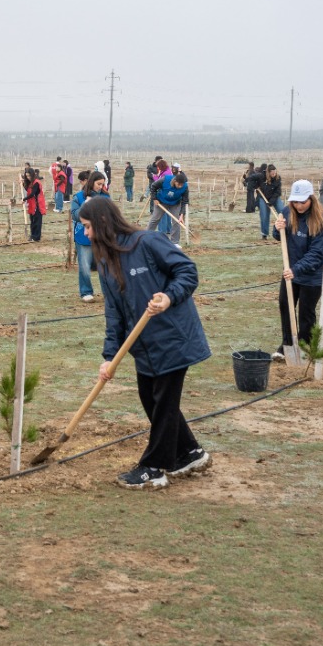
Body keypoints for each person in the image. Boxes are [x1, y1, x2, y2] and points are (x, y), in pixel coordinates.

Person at [79, 196, 210, 489]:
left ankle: (154, 467)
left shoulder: (148, 242)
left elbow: (187, 271)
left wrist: (169, 296)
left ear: (102, 222)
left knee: (163, 403)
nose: (86, 234)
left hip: (173, 337)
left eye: (87, 227)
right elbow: (113, 312)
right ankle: (190, 452)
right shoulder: (105, 261)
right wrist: (109, 356)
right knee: (152, 400)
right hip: (144, 346)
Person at [270, 179, 323, 360]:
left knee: (306, 312)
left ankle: (306, 347)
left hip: (312, 275)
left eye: (302, 201)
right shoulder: (287, 212)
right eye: (295, 201)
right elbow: (280, 237)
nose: (298, 205)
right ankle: (287, 346)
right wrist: (277, 229)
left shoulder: (322, 223)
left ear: (311, 199)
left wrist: (296, 270)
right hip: (291, 271)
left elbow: (316, 255)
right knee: (285, 306)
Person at [70, 171, 110, 303]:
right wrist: (85, 204)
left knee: (104, 265)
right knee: (85, 265)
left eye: (102, 184)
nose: (100, 186)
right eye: (98, 184)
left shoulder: (105, 197)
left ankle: (108, 292)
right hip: (83, 236)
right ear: (91, 182)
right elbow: (75, 215)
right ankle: (86, 292)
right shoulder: (79, 197)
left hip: (102, 237)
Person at [257, 165, 284, 241]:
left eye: (275, 172)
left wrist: (271, 202)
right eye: (272, 173)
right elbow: (253, 179)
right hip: (263, 198)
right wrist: (252, 184)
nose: (274, 174)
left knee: (283, 211)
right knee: (264, 215)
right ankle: (264, 234)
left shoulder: (278, 178)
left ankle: (287, 230)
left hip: (274, 197)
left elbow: (277, 192)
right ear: (268, 173)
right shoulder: (262, 177)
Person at [22, 168, 46, 242]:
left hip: (38, 204)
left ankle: (36, 237)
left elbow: (32, 194)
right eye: (27, 176)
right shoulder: (30, 183)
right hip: (32, 205)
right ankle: (32, 235)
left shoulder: (36, 183)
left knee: (37, 221)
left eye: (29, 176)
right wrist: (22, 183)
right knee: (32, 221)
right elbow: (27, 189)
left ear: (32, 175)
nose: (28, 178)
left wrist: (24, 199)